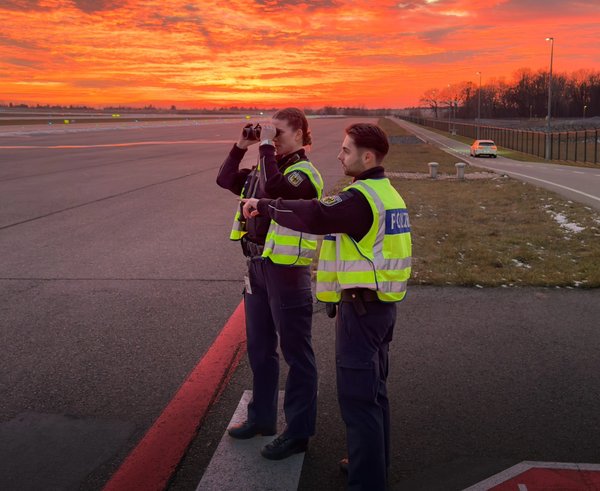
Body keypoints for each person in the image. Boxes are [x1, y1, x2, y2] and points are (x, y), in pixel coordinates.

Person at [242, 123, 411, 490]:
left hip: (362, 312)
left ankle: (367, 482)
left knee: (357, 398)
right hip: (380, 308)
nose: (339, 155)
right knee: (374, 393)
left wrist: (263, 205)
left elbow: (315, 214)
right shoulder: (387, 194)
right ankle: (371, 464)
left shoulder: (360, 198)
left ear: (368, 157)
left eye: (346, 150)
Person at [216, 107, 324, 460]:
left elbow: (277, 188)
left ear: (299, 135)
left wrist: (264, 148)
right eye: (269, 133)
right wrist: (241, 144)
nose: (271, 139)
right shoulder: (263, 169)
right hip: (257, 268)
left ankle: (298, 432)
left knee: (297, 355)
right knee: (260, 350)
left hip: (287, 273)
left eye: (277, 133)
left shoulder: (303, 173)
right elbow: (225, 178)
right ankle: (262, 418)